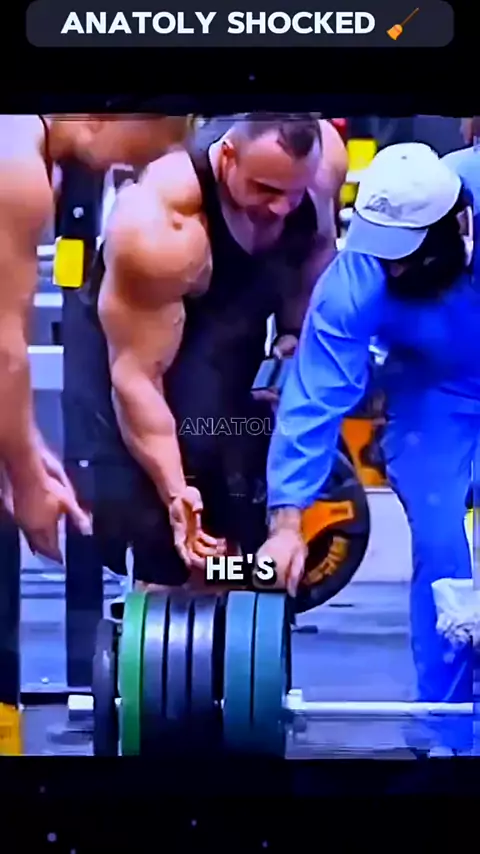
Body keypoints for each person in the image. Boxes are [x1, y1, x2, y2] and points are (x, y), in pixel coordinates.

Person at [261, 141, 480, 753]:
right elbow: (314, 398)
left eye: (406, 255)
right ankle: (449, 728)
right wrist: (287, 522)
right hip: (435, 394)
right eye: (385, 255)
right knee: (442, 543)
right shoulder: (356, 279)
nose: (395, 270)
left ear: (456, 224)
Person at [84, 112, 347, 588]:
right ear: (227, 157)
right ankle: (165, 589)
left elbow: (316, 251)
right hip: (150, 328)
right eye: (266, 189)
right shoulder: (161, 227)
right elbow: (137, 378)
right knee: (171, 507)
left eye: (294, 193)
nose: (282, 207)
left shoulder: (322, 162)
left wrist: (291, 343)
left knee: (240, 461)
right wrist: (176, 493)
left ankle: (242, 582)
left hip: (238, 312)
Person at [0, 112, 192, 560]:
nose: (129, 172)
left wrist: (24, 446)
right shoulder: (17, 169)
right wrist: (27, 481)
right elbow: (4, 352)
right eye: (136, 159)